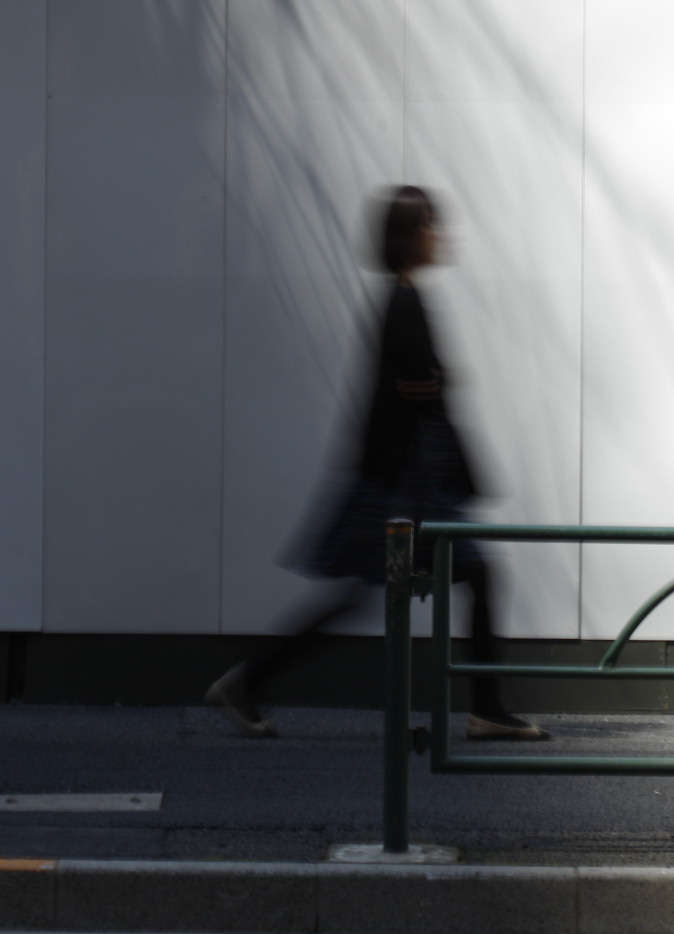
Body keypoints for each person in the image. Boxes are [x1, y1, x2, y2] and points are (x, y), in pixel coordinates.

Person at [206, 186, 545, 742]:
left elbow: (413, 393)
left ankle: (248, 682)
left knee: (364, 594)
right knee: (474, 575)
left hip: (402, 484)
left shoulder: (401, 299)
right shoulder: (405, 302)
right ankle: (486, 708)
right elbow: (418, 396)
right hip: (409, 488)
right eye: (433, 225)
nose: (441, 235)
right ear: (411, 234)